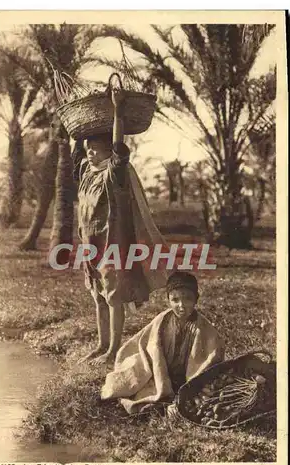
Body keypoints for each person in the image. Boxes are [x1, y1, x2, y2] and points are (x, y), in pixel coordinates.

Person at [73, 87, 167, 366]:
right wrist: (77, 132)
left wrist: (117, 111)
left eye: (95, 149)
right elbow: (76, 149)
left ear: (107, 151)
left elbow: (118, 148)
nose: (90, 153)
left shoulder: (114, 172)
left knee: (114, 296)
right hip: (91, 245)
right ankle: (101, 345)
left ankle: (114, 349)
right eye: (89, 149)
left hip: (113, 243)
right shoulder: (87, 173)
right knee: (97, 295)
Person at [101, 271, 225, 414]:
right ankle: (164, 393)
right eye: (175, 299)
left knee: (209, 396)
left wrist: (194, 383)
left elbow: (212, 356)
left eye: (187, 299)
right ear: (168, 300)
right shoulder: (162, 322)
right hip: (158, 372)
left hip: (189, 377)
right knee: (139, 393)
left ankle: (179, 398)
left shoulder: (204, 328)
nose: (181, 305)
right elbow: (148, 346)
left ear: (196, 299)